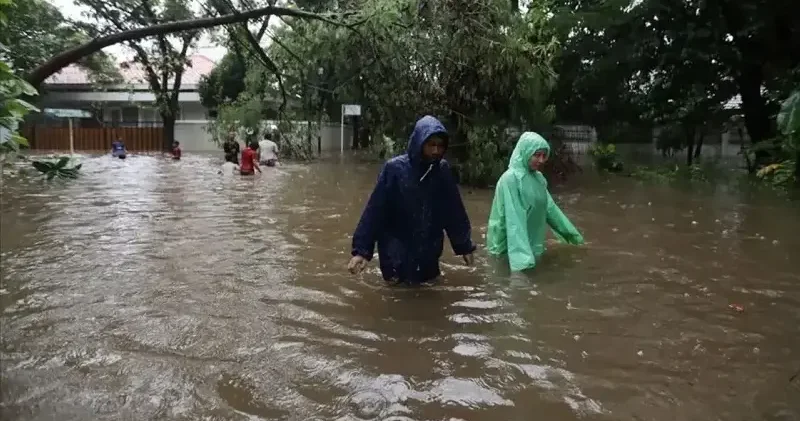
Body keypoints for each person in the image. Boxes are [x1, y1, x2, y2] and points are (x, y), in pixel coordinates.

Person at [348, 115, 476, 284]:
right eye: (431, 145)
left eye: (440, 146)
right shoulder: (394, 169)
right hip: (396, 252)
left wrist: (464, 246)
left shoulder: (442, 171)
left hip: (428, 251)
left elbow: (454, 212)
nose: (436, 151)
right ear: (419, 143)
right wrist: (361, 252)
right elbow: (375, 211)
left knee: (429, 295)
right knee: (397, 296)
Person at [486, 132, 584, 272]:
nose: (541, 160)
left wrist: (574, 238)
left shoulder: (539, 179)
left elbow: (551, 210)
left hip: (530, 246)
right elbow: (515, 220)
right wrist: (522, 264)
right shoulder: (510, 179)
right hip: (506, 250)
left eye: (544, 156)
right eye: (536, 155)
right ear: (525, 152)